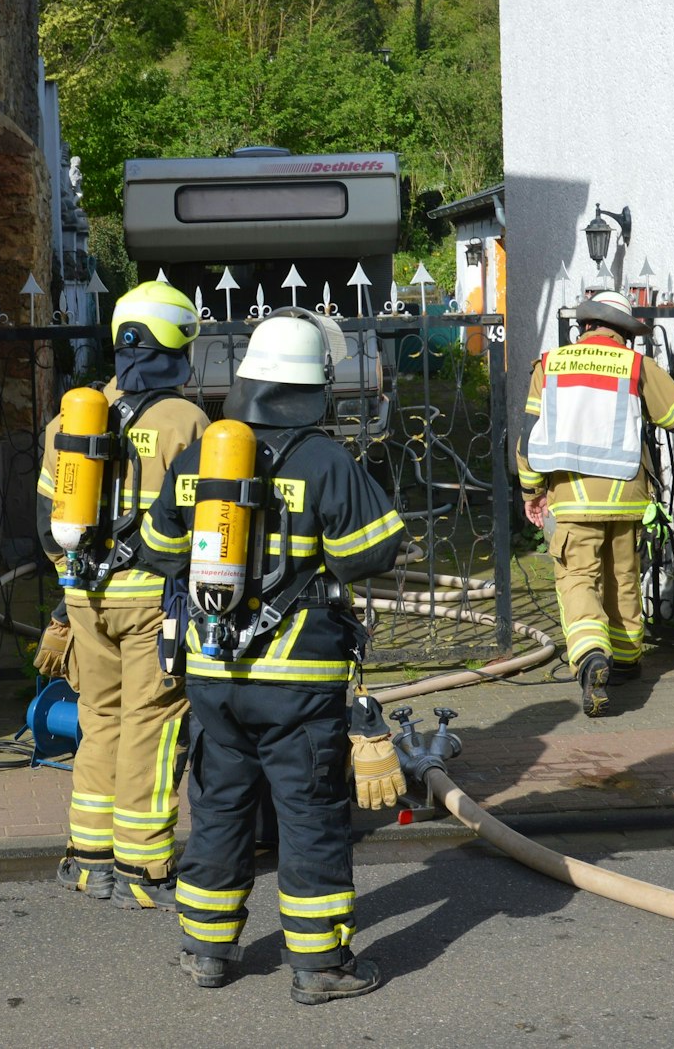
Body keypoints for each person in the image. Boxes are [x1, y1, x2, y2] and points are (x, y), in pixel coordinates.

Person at [142, 310, 408, 1005]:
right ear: (314, 387)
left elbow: (155, 548)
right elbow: (372, 552)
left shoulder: (203, 455)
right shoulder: (324, 460)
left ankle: (205, 949)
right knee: (310, 814)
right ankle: (319, 966)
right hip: (297, 681)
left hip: (213, 675)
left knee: (221, 804)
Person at [34, 280, 210, 910]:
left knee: (97, 718)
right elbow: (202, 524)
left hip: (84, 597)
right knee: (153, 724)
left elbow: (43, 521)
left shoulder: (70, 418)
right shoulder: (185, 420)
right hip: (152, 602)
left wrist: (73, 584)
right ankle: (143, 861)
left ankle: (87, 857)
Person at [516, 291, 674, 717]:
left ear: (583, 327)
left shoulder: (549, 365)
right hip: (626, 496)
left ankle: (592, 654)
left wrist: (531, 491)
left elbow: (529, 436)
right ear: (625, 332)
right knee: (622, 575)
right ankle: (628, 659)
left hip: (571, 496)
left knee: (578, 579)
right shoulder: (635, 365)